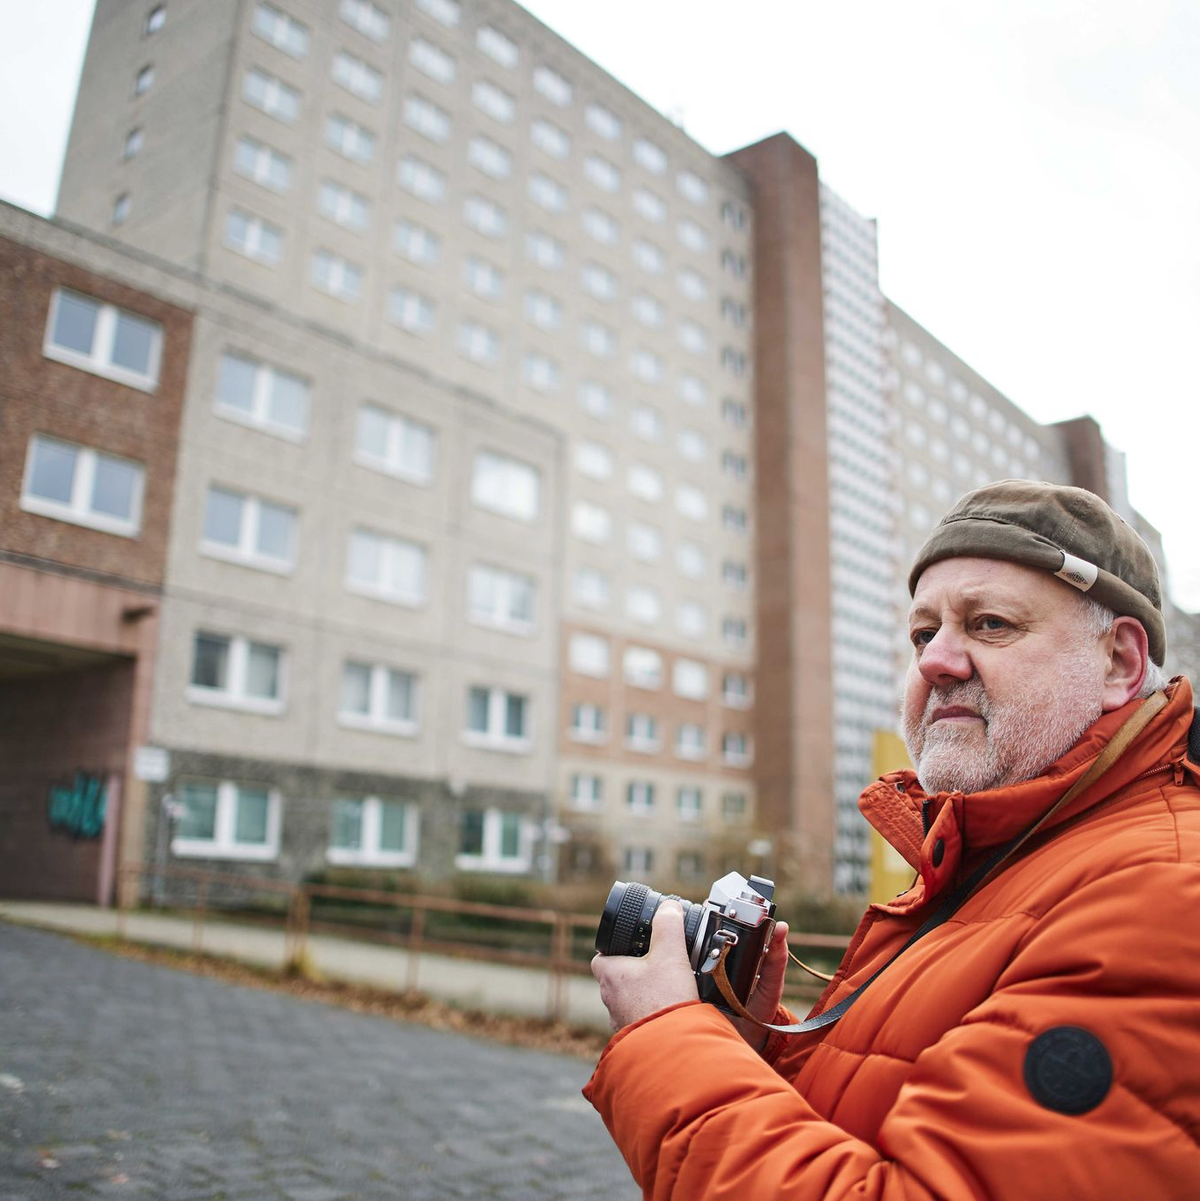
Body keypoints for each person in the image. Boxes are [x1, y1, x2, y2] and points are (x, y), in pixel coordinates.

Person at [586, 480, 1200, 1198]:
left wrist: (668, 1036)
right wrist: (745, 1044)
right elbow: (878, 1115)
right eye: (922, 633)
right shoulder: (995, 858)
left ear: (1120, 664)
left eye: (991, 623)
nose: (935, 662)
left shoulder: (1161, 893)